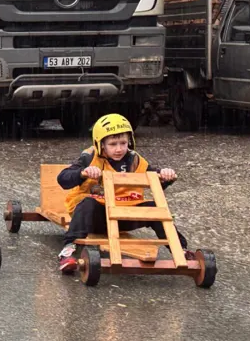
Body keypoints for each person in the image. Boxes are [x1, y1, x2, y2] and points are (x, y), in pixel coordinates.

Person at [56, 113, 191, 273]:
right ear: (101, 144)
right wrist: (83, 173)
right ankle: (68, 250)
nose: (119, 149)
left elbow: (154, 182)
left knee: (155, 208)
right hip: (97, 217)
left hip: (124, 214)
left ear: (130, 142)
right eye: (113, 144)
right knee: (87, 203)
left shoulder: (135, 160)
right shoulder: (90, 157)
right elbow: (63, 179)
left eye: (123, 143)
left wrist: (165, 177)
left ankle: (181, 250)